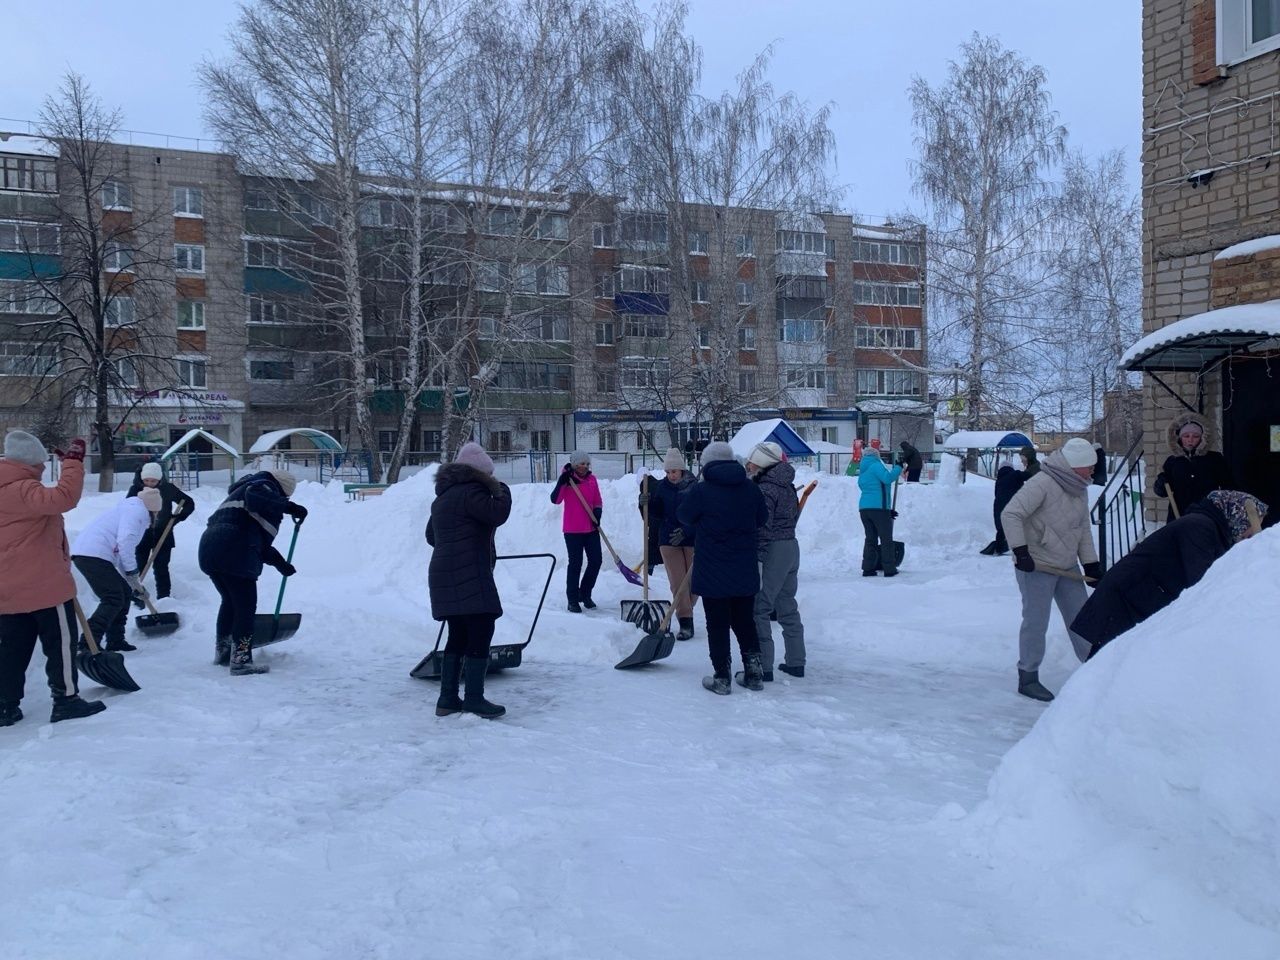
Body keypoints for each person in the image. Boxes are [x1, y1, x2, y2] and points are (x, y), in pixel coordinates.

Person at [1072, 490, 1267, 657]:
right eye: (1250, 529)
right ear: (1239, 517)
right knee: (1107, 670)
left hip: (1140, 599)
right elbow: (1202, 582)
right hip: (1125, 600)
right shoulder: (1200, 528)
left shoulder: (1211, 530)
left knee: (1118, 667)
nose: (1249, 537)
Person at [0, 432, 106, 726]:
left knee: (12, 649)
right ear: (30, 463)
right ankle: (66, 700)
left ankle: (5, 706)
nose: (42, 469)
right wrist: (73, 463)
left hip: (8, 590)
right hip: (43, 586)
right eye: (40, 464)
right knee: (60, 645)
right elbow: (64, 498)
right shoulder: (23, 488)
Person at [1000, 437, 1100, 702]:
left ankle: (1097, 669)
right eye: (1089, 465)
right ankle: (1028, 676)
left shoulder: (1079, 486)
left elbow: (1082, 528)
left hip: (1066, 565)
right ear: (1075, 465)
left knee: (1082, 619)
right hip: (1036, 564)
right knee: (1036, 621)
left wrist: (1091, 563)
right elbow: (1010, 514)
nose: (1093, 469)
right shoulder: (1042, 483)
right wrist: (1020, 551)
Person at [426, 442, 513, 719]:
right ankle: (474, 699)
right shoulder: (472, 491)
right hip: (470, 571)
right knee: (481, 628)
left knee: (458, 633)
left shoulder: (443, 497)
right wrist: (502, 489)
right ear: (480, 473)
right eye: (490, 474)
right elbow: (497, 513)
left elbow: (431, 536)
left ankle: (447, 699)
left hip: (444, 573)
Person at [677, 441, 768, 694]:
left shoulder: (702, 490)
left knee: (717, 624)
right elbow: (762, 519)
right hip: (744, 567)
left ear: (707, 463)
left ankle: (722, 677)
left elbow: (684, 516)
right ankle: (754, 674)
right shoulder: (750, 488)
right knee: (744, 621)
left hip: (712, 568)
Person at [197, 469, 306, 675]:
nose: (282, 500)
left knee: (230, 602)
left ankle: (224, 650)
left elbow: (258, 541)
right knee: (245, 607)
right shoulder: (263, 485)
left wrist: (280, 564)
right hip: (235, 549)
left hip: (211, 549)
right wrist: (289, 507)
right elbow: (257, 498)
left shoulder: (240, 494)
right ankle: (241, 660)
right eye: (284, 496)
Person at [71, 486, 163, 654]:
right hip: (92, 554)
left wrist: (134, 583)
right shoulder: (137, 513)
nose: (157, 516)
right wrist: (132, 572)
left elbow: (121, 554)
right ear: (152, 509)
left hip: (92, 553)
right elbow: (125, 543)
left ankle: (115, 640)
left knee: (124, 592)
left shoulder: (131, 510)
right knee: (113, 597)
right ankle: (88, 642)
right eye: (157, 512)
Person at [747, 441, 805, 680]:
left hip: (774, 549)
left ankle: (765, 666)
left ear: (762, 463)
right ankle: (796, 661)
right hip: (791, 546)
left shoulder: (765, 489)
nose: (748, 466)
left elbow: (763, 526)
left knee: (760, 608)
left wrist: (758, 557)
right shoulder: (787, 484)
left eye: (751, 462)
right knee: (787, 605)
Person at [645, 447, 698, 641]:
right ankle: (686, 622)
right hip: (668, 539)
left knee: (694, 582)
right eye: (667, 472)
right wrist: (647, 503)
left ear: (681, 469)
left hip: (692, 539)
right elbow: (657, 514)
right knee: (677, 582)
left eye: (673, 471)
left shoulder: (695, 487)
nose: (671, 476)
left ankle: (686, 608)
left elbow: (703, 515)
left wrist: (687, 530)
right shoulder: (662, 487)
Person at [127, 461, 195, 600]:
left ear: (159, 479)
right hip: (143, 534)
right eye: (146, 480)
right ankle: (135, 598)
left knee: (161, 567)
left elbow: (189, 503)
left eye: (153, 481)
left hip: (164, 533)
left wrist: (177, 518)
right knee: (139, 566)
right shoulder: (136, 490)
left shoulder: (167, 489)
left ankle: (164, 598)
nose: (149, 483)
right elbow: (126, 508)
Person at [1153, 413, 1234, 522]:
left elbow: (1229, 487)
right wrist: (1161, 483)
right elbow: (1162, 492)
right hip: (1179, 517)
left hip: (1207, 516)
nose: (1190, 440)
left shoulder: (1214, 459)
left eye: (1195, 436)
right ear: (1179, 438)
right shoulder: (1172, 462)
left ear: (1202, 438)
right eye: (1186, 436)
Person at [551, 450, 602, 613]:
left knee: (596, 561)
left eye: (587, 464)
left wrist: (597, 513)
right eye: (581, 464)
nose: (585, 467)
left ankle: (585, 593)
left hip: (591, 528)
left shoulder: (592, 479)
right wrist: (561, 482)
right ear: (574, 464)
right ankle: (572, 599)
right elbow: (555, 500)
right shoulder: (567, 480)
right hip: (573, 529)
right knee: (575, 564)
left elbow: (597, 500)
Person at [981, 446, 1040, 556]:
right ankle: (1018, 545)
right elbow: (1028, 475)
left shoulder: (999, 481)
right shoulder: (1014, 474)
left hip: (998, 507)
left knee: (1001, 528)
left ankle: (999, 547)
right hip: (1011, 505)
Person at [857, 445, 903, 577]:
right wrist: (898, 468)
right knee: (886, 539)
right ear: (876, 455)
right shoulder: (875, 465)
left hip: (864, 509)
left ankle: (868, 568)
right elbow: (887, 478)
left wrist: (888, 510)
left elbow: (876, 488)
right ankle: (889, 569)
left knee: (870, 539)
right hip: (878, 509)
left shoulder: (863, 469)